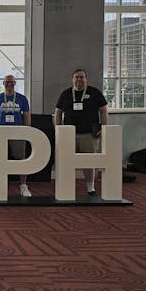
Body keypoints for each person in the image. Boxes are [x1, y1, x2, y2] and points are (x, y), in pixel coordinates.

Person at [53, 68, 108, 197]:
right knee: (66, 161)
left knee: (89, 162)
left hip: (88, 134)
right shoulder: (66, 94)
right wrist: (58, 129)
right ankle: (66, 187)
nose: (79, 80)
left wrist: (104, 127)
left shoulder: (94, 93)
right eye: (76, 77)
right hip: (68, 135)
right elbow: (58, 112)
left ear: (85, 79)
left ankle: (91, 188)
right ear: (72, 80)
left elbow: (103, 110)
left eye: (81, 77)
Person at [0, 75, 33, 197]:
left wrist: (27, 131)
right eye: (7, 82)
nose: (9, 84)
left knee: (22, 159)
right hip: (1, 133)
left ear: (15, 83)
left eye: (12, 82)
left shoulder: (22, 98)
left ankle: (23, 186)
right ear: (3, 83)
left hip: (17, 132)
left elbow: (27, 115)